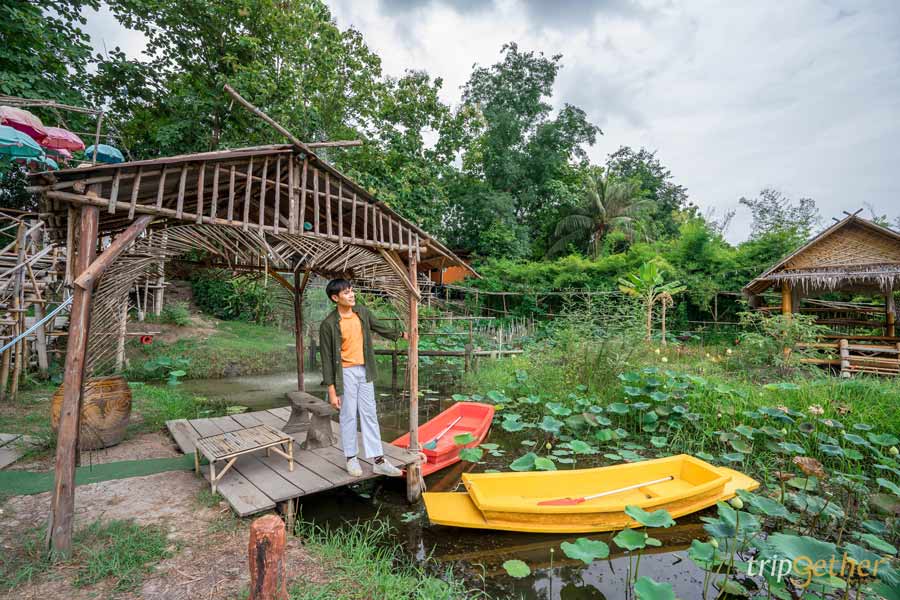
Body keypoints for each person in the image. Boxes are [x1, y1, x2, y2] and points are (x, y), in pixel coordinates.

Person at [319, 278, 406, 477]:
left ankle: (378, 461)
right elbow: (326, 359)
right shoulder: (328, 325)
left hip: (365, 371)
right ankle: (351, 458)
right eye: (346, 293)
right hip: (345, 373)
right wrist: (332, 391)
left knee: (370, 414)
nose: (352, 295)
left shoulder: (362, 313)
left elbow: (380, 327)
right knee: (348, 415)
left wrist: (402, 334)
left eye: (351, 291)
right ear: (335, 298)